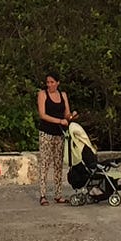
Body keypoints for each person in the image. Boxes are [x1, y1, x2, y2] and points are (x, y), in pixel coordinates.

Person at [35, 73, 72, 206]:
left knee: (58, 164)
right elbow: (42, 114)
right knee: (45, 163)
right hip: (46, 132)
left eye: (52, 82)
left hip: (59, 133)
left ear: (58, 83)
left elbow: (66, 113)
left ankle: (58, 194)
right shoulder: (42, 94)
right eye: (48, 82)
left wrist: (70, 117)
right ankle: (43, 194)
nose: (49, 85)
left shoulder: (63, 95)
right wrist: (59, 121)